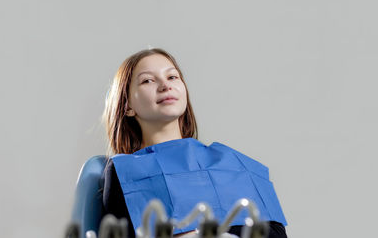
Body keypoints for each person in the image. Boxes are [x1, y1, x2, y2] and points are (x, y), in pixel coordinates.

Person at [100, 48, 287, 238]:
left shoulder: (235, 163)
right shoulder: (124, 171)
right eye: (148, 80)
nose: (165, 85)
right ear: (127, 106)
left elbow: (274, 232)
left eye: (172, 77)